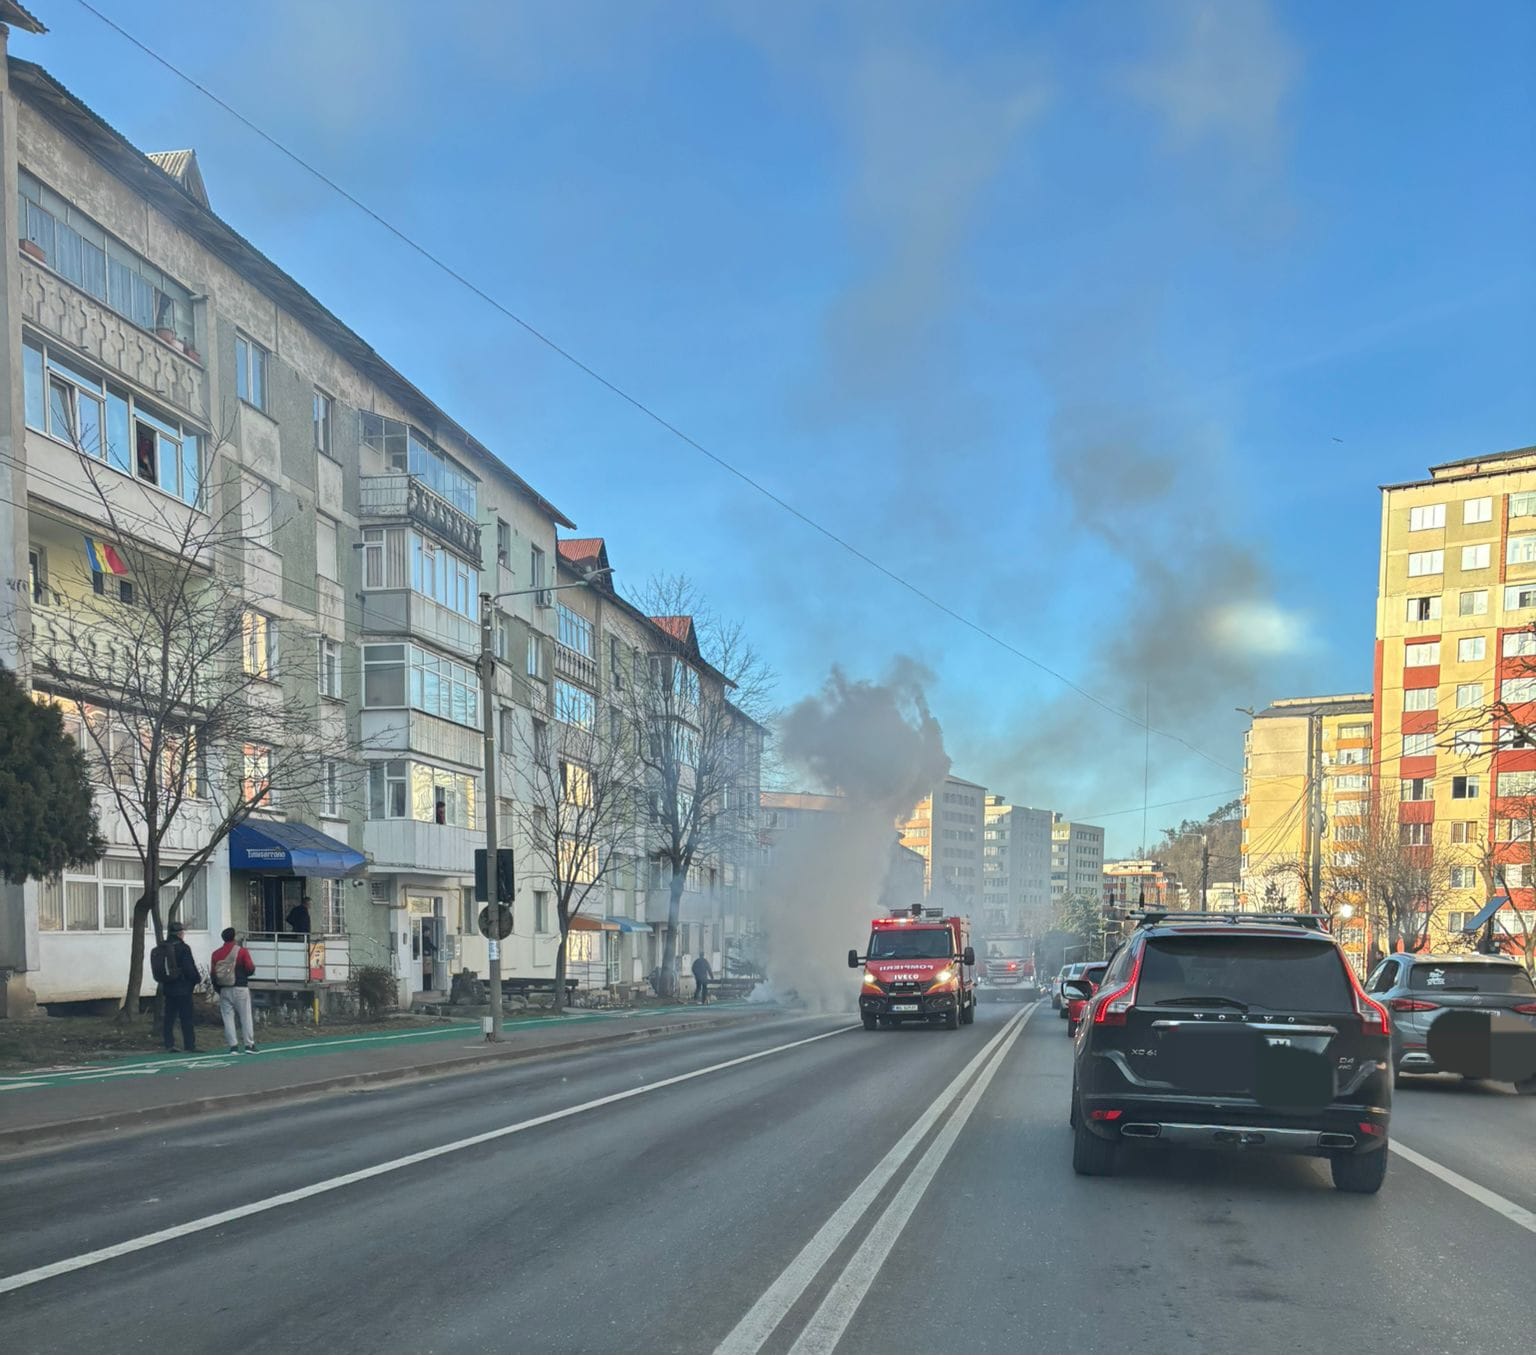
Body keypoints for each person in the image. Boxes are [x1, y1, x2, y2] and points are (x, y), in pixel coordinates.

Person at [151, 920, 200, 1052]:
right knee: (186, 1018)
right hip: (183, 987)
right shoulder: (183, 948)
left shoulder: (163, 947)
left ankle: (169, 1044)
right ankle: (189, 1045)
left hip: (168, 987)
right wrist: (196, 979)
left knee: (169, 1017)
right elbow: (189, 968)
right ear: (180, 933)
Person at [210, 926, 258, 1053]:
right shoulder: (241, 951)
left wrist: (218, 989)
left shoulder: (216, 954)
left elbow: (213, 974)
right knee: (245, 1017)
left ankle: (233, 1046)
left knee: (228, 1018)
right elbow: (249, 968)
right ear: (234, 937)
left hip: (224, 989)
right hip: (240, 987)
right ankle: (249, 1045)